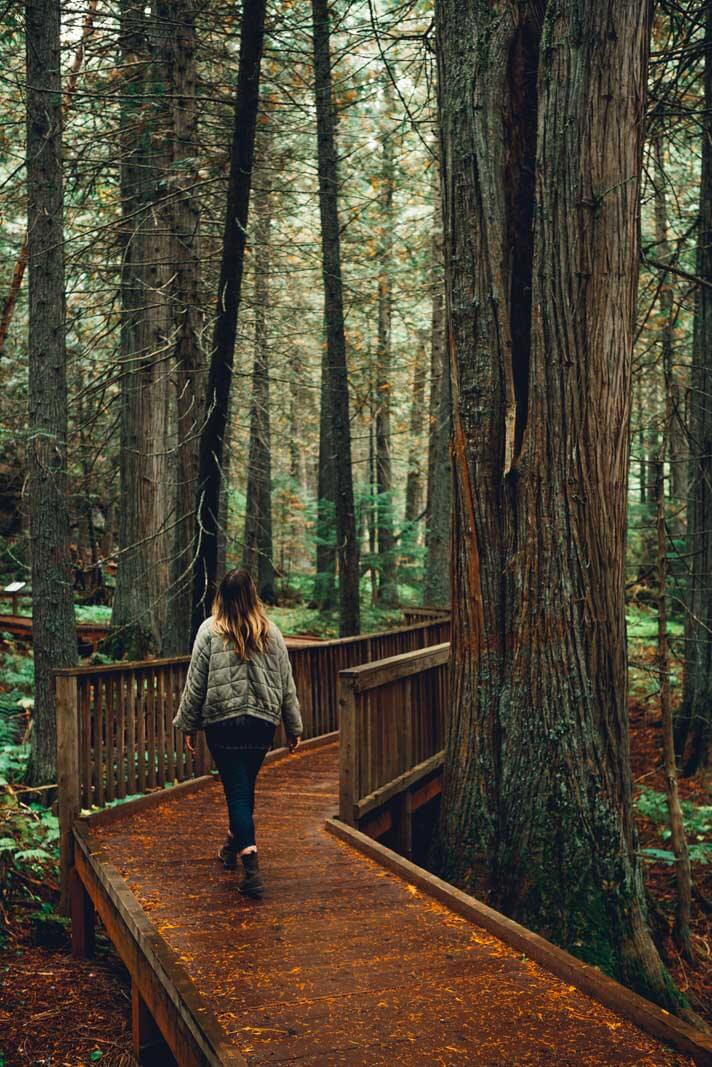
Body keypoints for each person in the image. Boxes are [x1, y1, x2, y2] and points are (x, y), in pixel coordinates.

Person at [172, 568, 303, 898]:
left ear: (222, 597)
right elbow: (286, 683)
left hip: (223, 724)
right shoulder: (270, 632)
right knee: (244, 789)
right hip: (261, 724)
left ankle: (252, 870)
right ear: (251, 595)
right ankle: (232, 847)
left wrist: (188, 724)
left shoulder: (209, 632)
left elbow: (195, 684)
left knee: (239, 793)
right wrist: (294, 726)